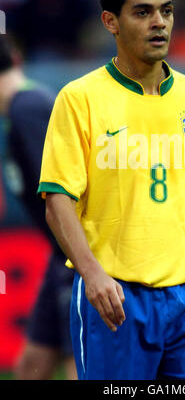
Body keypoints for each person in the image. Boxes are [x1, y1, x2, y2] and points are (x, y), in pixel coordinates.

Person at [38, 0, 185, 380]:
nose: (159, 22)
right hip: (116, 300)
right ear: (110, 21)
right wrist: (92, 276)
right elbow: (57, 200)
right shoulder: (79, 100)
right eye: (143, 12)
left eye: (166, 10)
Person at [0, 36, 76, 380]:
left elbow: (62, 193)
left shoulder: (27, 109)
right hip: (59, 252)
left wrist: (84, 265)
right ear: (16, 57)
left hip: (75, 254)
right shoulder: (23, 109)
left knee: (82, 360)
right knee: (34, 361)